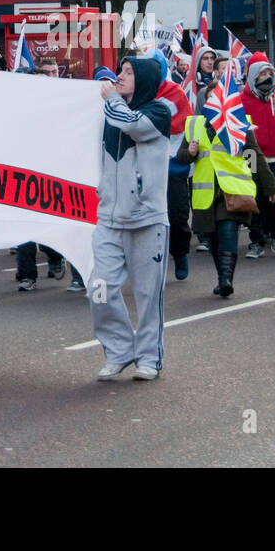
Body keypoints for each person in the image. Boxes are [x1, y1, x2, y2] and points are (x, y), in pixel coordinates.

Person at [92, 57, 173, 381]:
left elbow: (132, 124)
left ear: (143, 79)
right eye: (120, 71)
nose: (120, 77)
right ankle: (119, 351)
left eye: (128, 73)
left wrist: (110, 97)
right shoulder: (109, 112)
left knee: (147, 296)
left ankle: (148, 358)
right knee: (100, 288)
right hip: (109, 220)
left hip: (147, 220)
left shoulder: (158, 112)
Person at [178, 110, 275, 298]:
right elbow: (182, 157)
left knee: (227, 230)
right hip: (206, 193)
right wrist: (189, 152)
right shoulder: (195, 125)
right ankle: (221, 277)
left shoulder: (238, 123)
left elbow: (252, 155)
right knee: (214, 237)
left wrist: (267, 185)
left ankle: (226, 280)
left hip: (231, 190)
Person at [148, 49, 194, 280]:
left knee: (177, 216)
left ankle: (180, 253)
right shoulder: (138, 93)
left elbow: (184, 123)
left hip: (174, 165)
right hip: (146, 167)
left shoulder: (175, 92)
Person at [240, 53, 275, 258]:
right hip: (252, 155)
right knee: (256, 200)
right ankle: (257, 240)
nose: (267, 77)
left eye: (270, 73)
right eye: (262, 74)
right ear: (253, 75)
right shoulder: (242, 100)